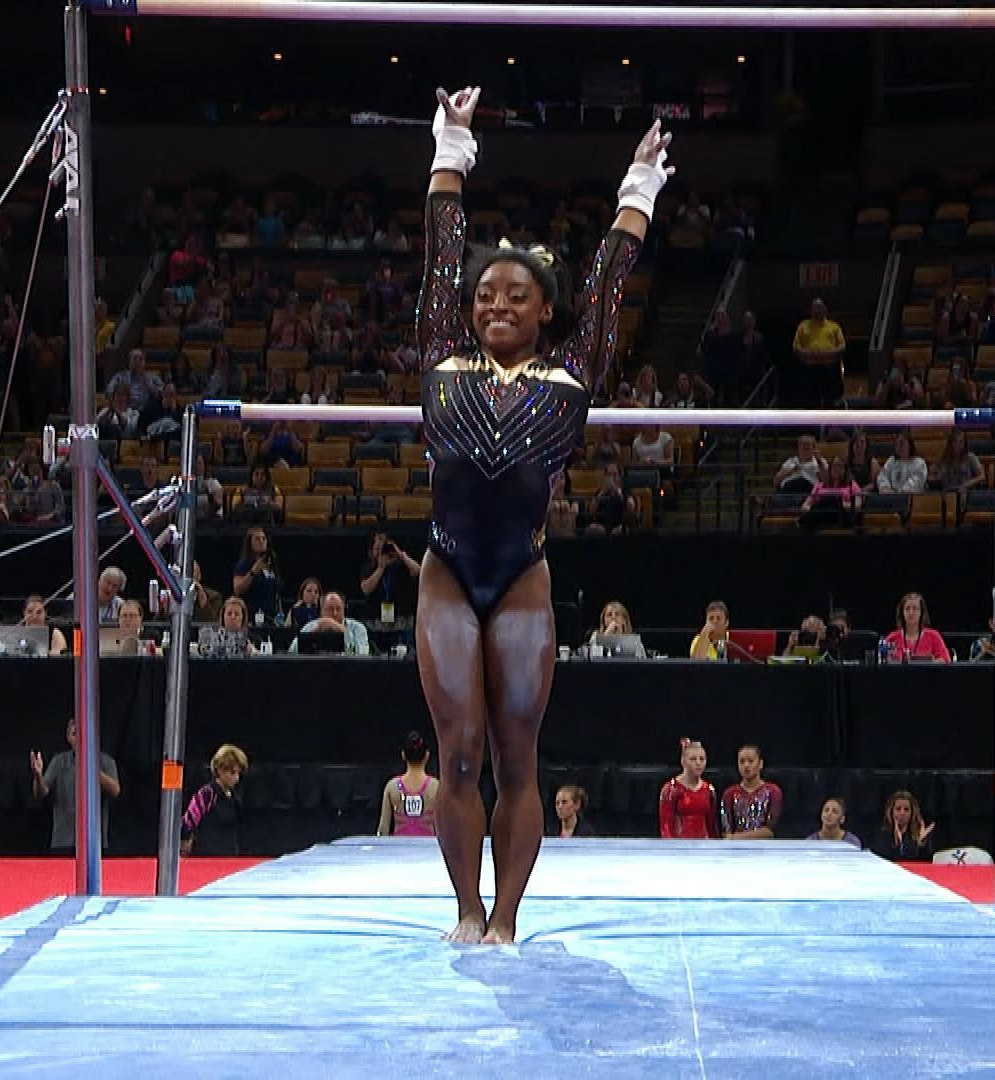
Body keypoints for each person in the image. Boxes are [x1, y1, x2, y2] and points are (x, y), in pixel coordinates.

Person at [412, 86, 668, 944]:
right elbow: (442, 256)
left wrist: (637, 191)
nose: (496, 306)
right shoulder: (439, 357)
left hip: (520, 572)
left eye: (516, 296)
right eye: (486, 296)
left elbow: (606, 287)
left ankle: (509, 918)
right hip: (448, 568)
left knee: (518, 757)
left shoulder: (572, 374)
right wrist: (452, 150)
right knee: (457, 753)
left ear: (545, 311)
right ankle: (464, 907)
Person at [30, 718, 123, 856]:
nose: (79, 738)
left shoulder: (106, 761)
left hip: (95, 842)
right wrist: (38, 775)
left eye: (83, 733)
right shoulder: (59, 761)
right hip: (63, 841)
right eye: (74, 734)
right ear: (68, 738)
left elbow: (115, 790)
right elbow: (40, 793)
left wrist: (92, 767)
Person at [181, 744, 248, 857]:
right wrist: (185, 842)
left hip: (229, 856)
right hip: (207, 858)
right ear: (219, 770)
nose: (236, 778)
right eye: (232, 773)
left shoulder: (234, 798)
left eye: (238, 773)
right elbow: (188, 822)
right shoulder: (207, 794)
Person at [377, 731, 439, 837]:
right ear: (427, 755)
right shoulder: (436, 787)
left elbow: (383, 829)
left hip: (399, 850)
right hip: (429, 850)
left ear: (403, 755)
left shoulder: (392, 787)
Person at [659, 738, 720, 839]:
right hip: (680, 847)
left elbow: (712, 826)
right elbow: (666, 827)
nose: (698, 763)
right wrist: (672, 849)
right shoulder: (671, 789)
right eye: (693, 759)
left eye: (702, 759)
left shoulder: (709, 789)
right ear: (683, 761)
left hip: (704, 847)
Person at [719, 744, 782, 839]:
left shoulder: (773, 791)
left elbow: (770, 831)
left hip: (765, 849)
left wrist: (737, 838)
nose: (746, 765)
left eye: (751, 761)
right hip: (736, 850)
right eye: (742, 762)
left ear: (760, 764)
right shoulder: (729, 794)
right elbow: (726, 832)